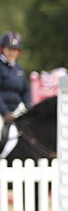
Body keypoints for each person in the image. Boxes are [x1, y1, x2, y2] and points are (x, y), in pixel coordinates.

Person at [0, 31, 32, 159]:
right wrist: (5, 112)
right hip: (2, 110)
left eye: (15, 50)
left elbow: (25, 90)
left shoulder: (19, 69)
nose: (12, 52)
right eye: (10, 49)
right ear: (3, 49)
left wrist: (29, 106)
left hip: (17, 108)